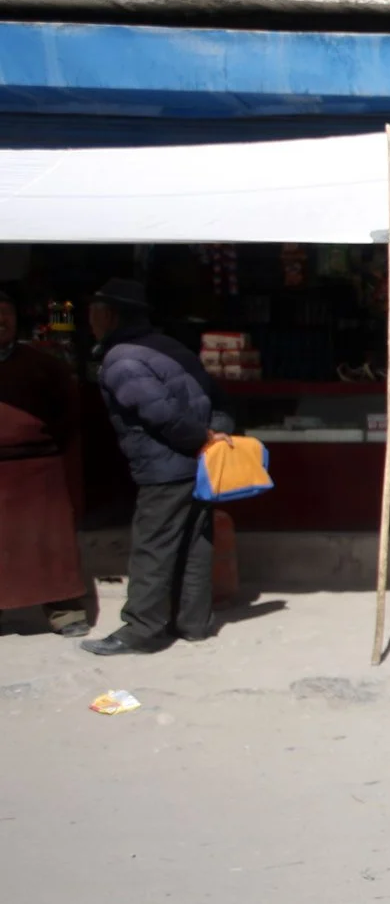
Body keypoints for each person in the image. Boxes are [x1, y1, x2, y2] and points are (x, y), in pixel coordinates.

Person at [80, 279, 220, 657]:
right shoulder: (168, 346)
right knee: (194, 542)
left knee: (153, 547)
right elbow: (210, 394)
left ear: (107, 315)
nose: (88, 322)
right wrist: (208, 442)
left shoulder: (123, 359)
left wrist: (199, 439)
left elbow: (160, 414)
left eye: (92, 313)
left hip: (168, 464)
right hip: (197, 463)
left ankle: (141, 629)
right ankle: (194, 624)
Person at [0, 291, 95, 638]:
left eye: (6, 312)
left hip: (37, 470)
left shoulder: (43, 364)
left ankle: (63, 610)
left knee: (48, 545)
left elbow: (68, 413)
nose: (0, 320)